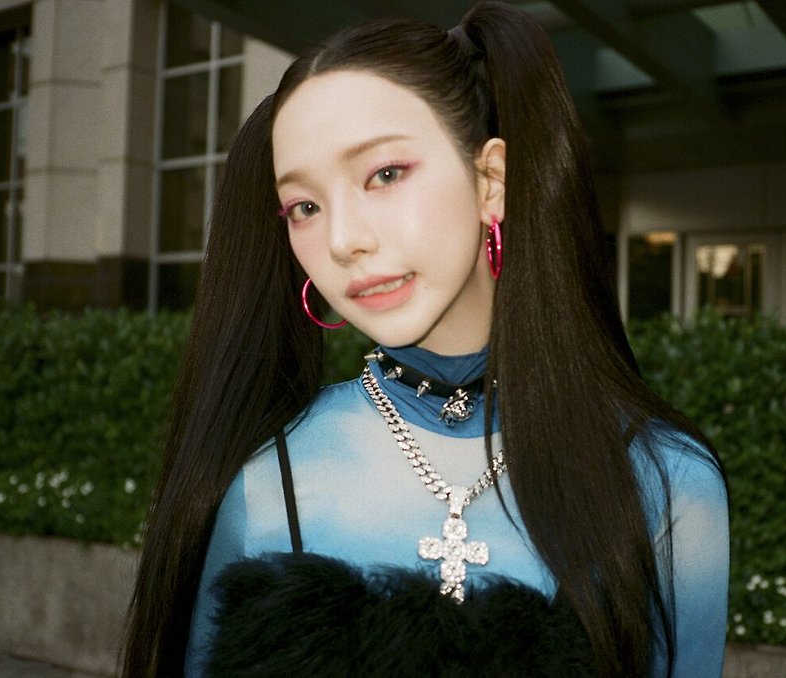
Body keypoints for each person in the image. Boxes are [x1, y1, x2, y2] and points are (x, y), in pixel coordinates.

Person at [121, 2, 729, 676]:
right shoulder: (266, 477)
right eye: (305, 207)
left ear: (491, 180)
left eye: (385, 174)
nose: (343, 240)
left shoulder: (667, 478)